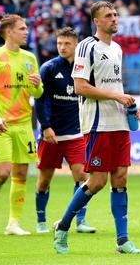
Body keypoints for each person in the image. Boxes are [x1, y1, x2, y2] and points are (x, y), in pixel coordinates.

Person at [53, 1, 140, 254]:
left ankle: (122, 241)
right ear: (97, 21)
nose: (115, 18)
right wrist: (116, 97)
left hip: (118, 121)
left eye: (116, 14)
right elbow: (80, 86)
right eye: (109, 15)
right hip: (97, 122)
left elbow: (114, 84)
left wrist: (127, 102)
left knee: (121, 178)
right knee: (96, 182)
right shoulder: (86, 46)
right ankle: (62, 226)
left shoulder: (116, 48)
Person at [0, 14, 43, 236]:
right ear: (9, 31)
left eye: (26, 28)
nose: (27, 31)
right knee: (3, 173)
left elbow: (37, 92)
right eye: (22, 28)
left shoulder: (30, 58)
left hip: (24, 123)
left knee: (21, 173)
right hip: (1, 125)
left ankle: (13, 224)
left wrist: (37, 86)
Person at [34, 27, 96, 234]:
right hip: (51, 134)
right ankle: (41, 221)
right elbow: (40, 100)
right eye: (59, 43)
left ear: (76, 45)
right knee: (44, 180)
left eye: (67, 43)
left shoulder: (84, 69)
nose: (62, 47)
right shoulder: (49, 68)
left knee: (81, 175)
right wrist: (46, 127)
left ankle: (81, 221)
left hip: (76, 133)